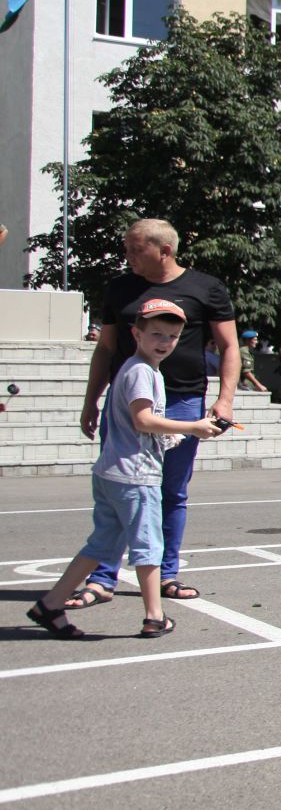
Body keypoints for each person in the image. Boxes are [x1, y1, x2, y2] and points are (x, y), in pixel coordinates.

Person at [28, 300, 225, 639]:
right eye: (156, 334)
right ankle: (154, 616)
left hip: (114, 471)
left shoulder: (141, 369)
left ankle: (51, 604)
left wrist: (174, 436)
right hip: (134, 476)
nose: (164, 341)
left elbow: (138, 426)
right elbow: (143, 420)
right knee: (149, 547)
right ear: (136, 333)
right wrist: (192, 427)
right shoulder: (141, 372)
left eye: (172, 336)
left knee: (101, 546)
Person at [72, 218, 238, 609]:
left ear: (164, 250)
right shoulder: (120, 288)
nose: (127, 255)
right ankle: (102, 577)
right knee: (120, 487)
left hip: (182, 399)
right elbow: (106, 349)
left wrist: (225, 399)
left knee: (171, 491)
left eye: (134, 248)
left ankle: (165, 574)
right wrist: (91, 400)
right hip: (129, 401)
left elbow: (229, 346)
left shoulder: (205, 288)